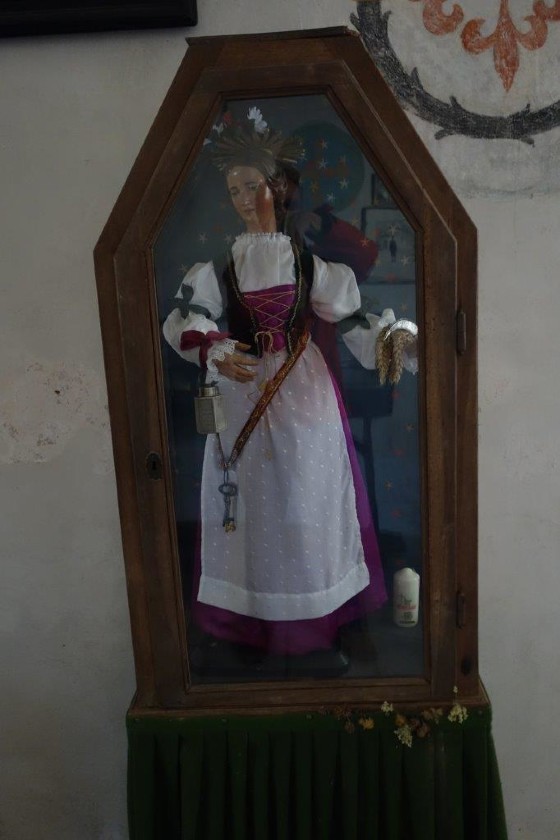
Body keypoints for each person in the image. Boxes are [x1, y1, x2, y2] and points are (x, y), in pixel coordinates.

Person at [163, 108, 416, 669]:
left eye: (253, 185)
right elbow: (185, 318)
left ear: (276, 187)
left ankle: (315, 624)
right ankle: (246, 627)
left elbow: (350, 317)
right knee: (248, 505)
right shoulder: (221, 266)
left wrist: (394, 340)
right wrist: (214, 348)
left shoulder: (305, 261)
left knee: (308, 498)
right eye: (235, 189)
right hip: (241, 389)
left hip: (303, 390)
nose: (244, 198)